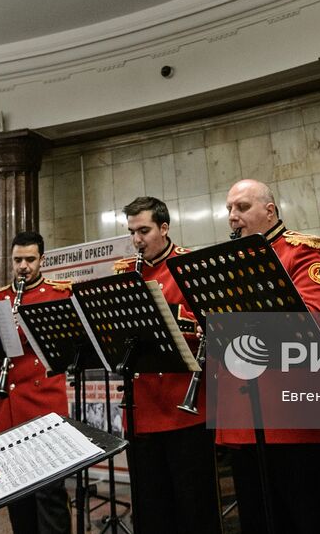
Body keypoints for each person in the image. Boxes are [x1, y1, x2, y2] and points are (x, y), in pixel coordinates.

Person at [218, 178, 320, 534]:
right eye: (229, 209)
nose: (233, 216)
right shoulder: (230, 260)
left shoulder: (303, 252)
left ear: (269, 211)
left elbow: (315, 324)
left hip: (294, 420)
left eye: (242, 207)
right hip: (244, 420)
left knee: (309, 521)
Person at [111, 196, 221, 534]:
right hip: (142, 409)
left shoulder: (191, 266)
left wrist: (181, 323)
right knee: (151, 509)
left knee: (194, 508)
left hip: (184, 408)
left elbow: (210, 325)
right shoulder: (126, 273)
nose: (137, 239)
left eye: (144, 230)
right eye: (132, 232)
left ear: (164, 227)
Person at [0, 231, 73, 534]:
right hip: (7, 407)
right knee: (16, 493)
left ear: (42, 260)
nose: (23, 266)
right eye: (17, 260)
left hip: (44, 407)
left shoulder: (59, 294)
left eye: (30, 260)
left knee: (49, 492)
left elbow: (68, 350)